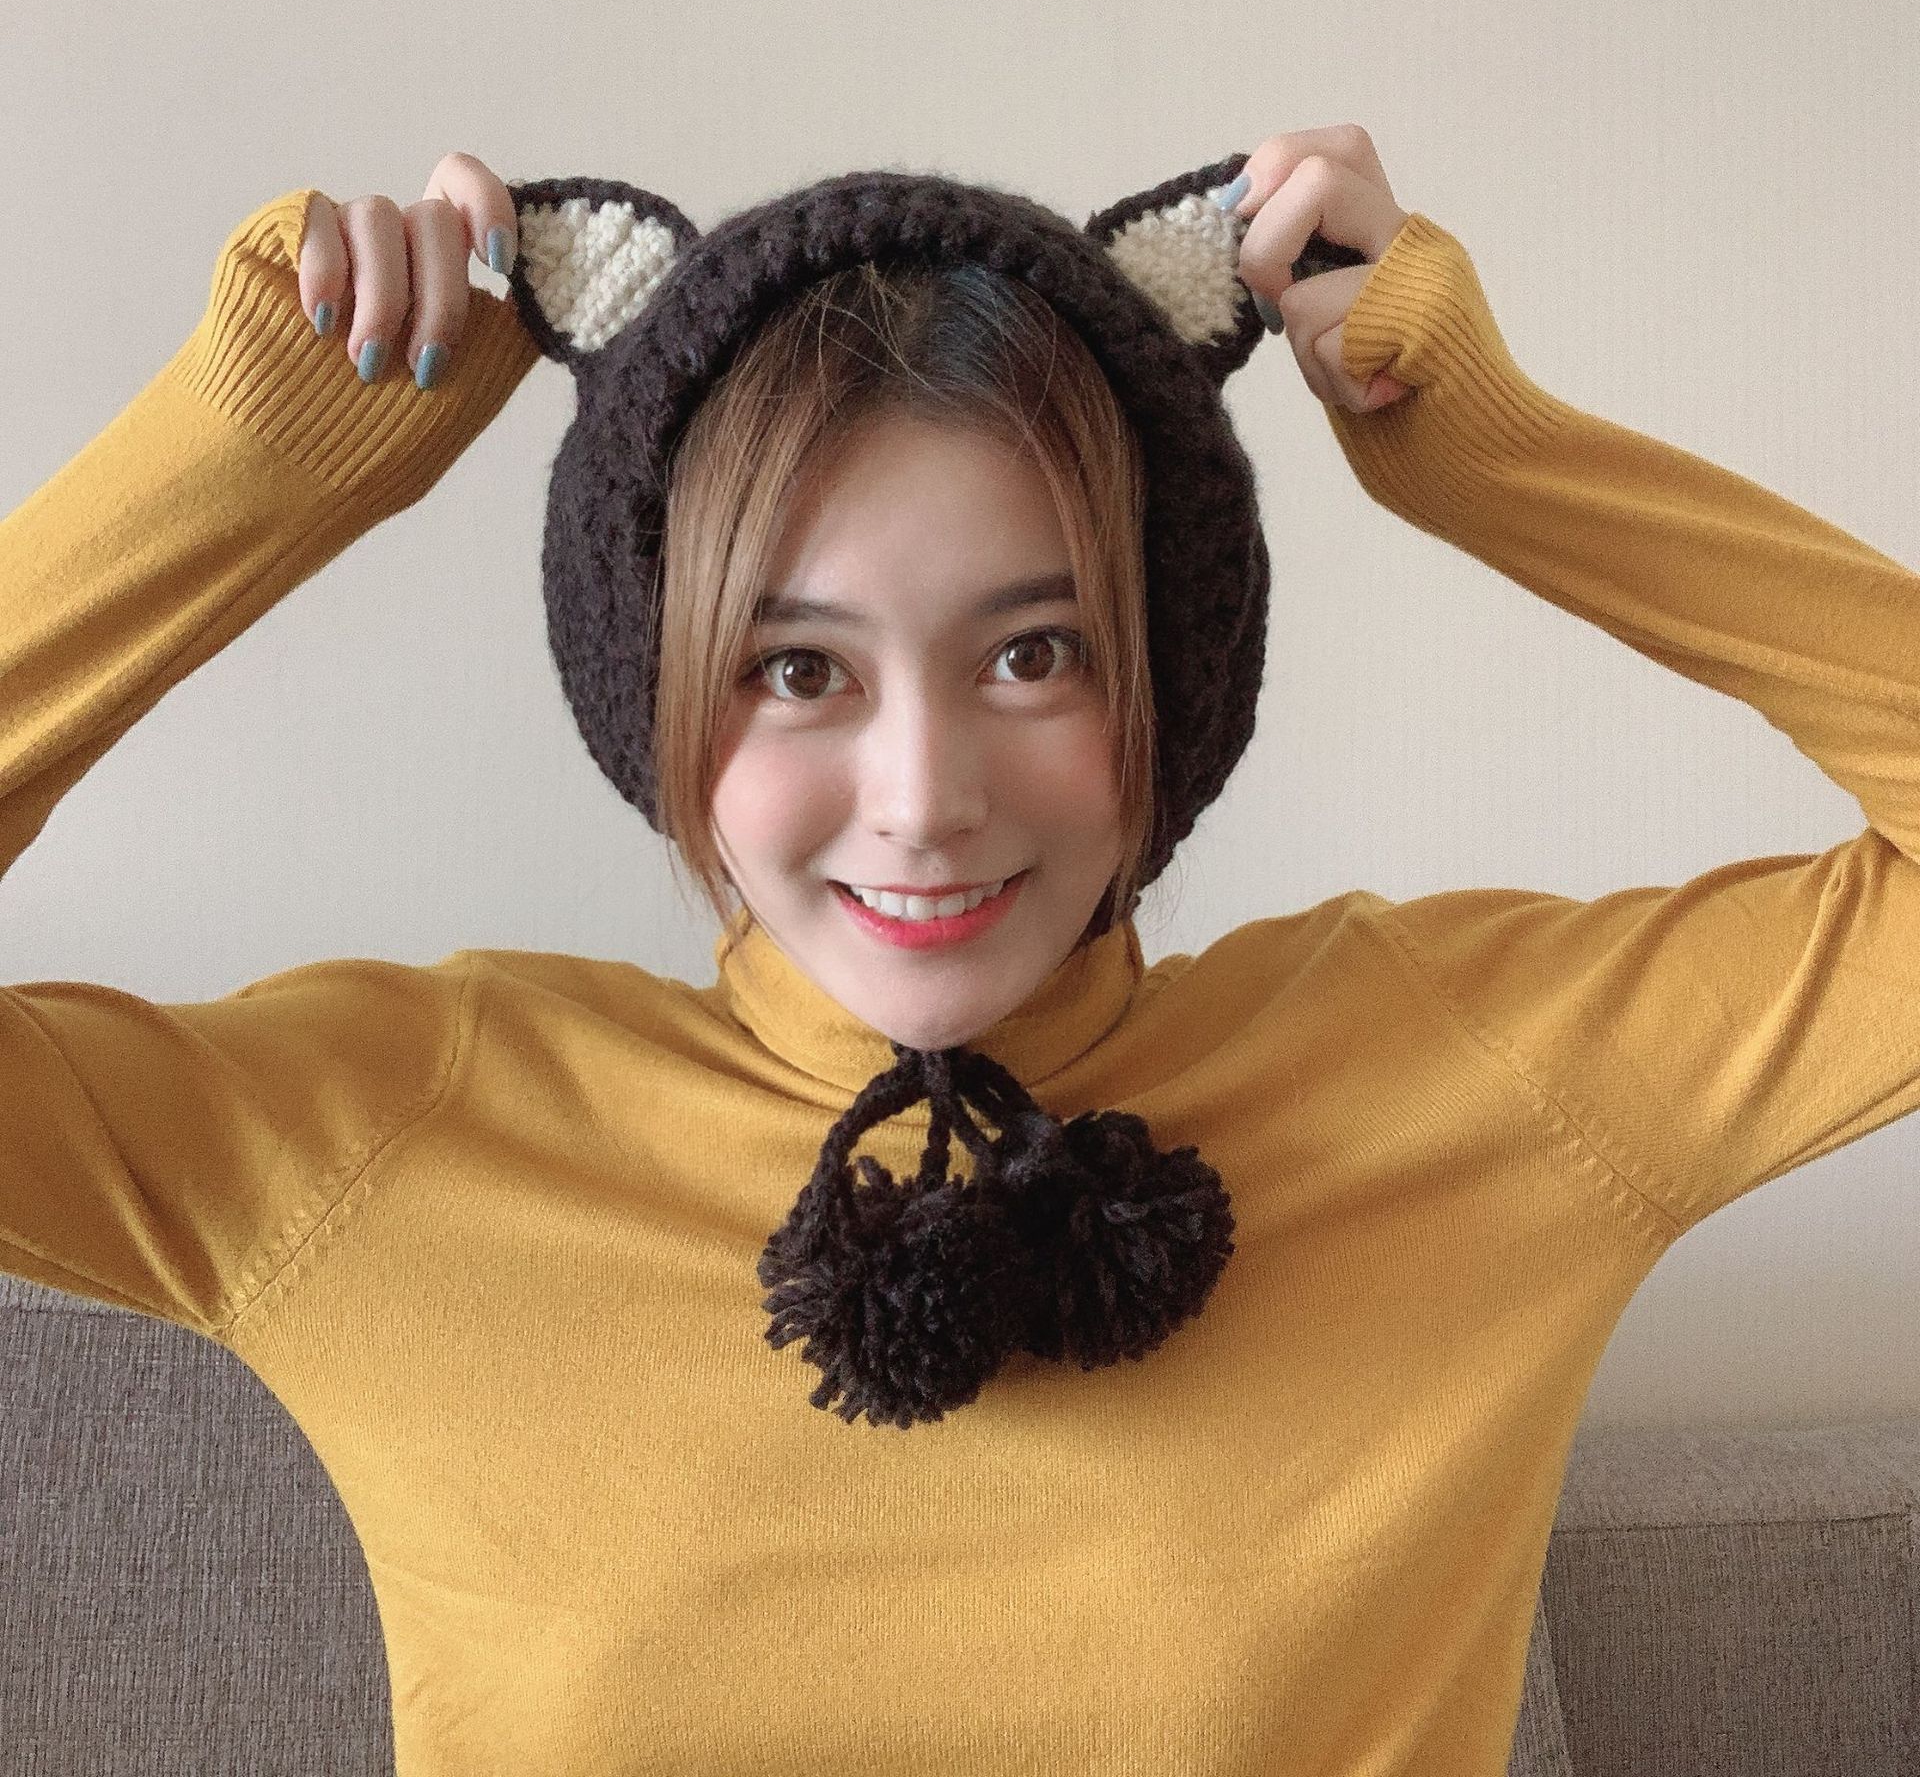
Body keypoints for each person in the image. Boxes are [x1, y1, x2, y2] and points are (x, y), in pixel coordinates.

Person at [5, 126, 1918, 1775]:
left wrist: (1493, 454)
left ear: (1165, 673)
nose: (925, 800)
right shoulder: (395, 1135)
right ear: (658, 694)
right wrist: (252, 464)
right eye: (797, 668)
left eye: (1032, 653)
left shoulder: (1469, 1078)